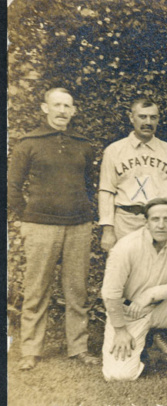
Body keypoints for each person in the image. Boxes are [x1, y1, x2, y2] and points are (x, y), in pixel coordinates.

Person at [8, 87, 100, 371]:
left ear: (73, 111)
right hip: (40, 225)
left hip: (78, 225)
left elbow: (89, 184)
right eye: (57, 105)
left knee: (77, 290)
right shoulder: (29, 143)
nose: (62, 111)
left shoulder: (83, 144)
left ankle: (79, 347)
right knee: (36, 289)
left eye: (67, 106)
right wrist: (25, 217)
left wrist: (86, 212)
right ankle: (31, 350)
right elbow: (11, 186)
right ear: (44, 108)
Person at [99, 97, 167, 355]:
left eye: (153, 117)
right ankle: (125, 330)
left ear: (158, 119)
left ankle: (157, 332)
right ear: (131, 117)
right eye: (143, 117)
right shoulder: (114, 151)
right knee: (128, 279)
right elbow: (106, 190)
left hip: (161, 222)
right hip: (127, 218)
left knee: (162, 276)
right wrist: (107, 227)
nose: (148, 122)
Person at [100, 197, 167, 384]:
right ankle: (144, 345)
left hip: (161, 307)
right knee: (119, 375)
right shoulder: (126, 247)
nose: (161, 225)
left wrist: (150, 294)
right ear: (145, 223)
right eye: (155, 219)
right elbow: (110, 295)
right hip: (130, 313)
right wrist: (121, 331)